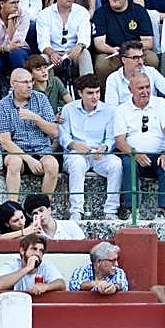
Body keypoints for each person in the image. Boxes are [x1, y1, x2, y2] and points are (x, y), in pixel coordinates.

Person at [59, 73, 122, 220]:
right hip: (76, 151)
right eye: (90, 93)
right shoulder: (68, 109)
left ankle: (111, 211)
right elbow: (63, 135)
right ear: (80, 93)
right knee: (77, 163)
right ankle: (76, 211)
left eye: (97, 92)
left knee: (116, 164)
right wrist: (74, 144)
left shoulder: (109, 111)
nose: (95, 96)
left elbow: (111, 137)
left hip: (98, 153)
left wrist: (105, 147)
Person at [114, 72, 165, 217]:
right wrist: (134, 153)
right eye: (140, 88)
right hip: (133, 155)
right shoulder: (121, 109)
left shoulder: (161, 103)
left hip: (158, 155)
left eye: (148, 87)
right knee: (128, 164)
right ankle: (132, 210)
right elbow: (120, 141)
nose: (145, 91)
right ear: (130, 90)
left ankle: (164, 211)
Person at [0, 67, 60, 199]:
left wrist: (36, 118)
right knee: (14, 163)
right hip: (17, 151)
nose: (30, 85)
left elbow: (55, 132)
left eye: (31, 81)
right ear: (13, 84)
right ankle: (13, 206)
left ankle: (44, 206)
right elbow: (5, 141)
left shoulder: (41, 99)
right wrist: (28, 159)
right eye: (25, 82)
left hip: (42, 149)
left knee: (52, 164)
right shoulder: (3, 105)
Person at [0, 234, 66, 294]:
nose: (38, 253)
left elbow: (61, 284)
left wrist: (46, 287)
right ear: (22, 251)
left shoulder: (45, 266)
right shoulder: (12, 265)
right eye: (34, 249)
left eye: (41, 251)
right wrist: (27, 268)